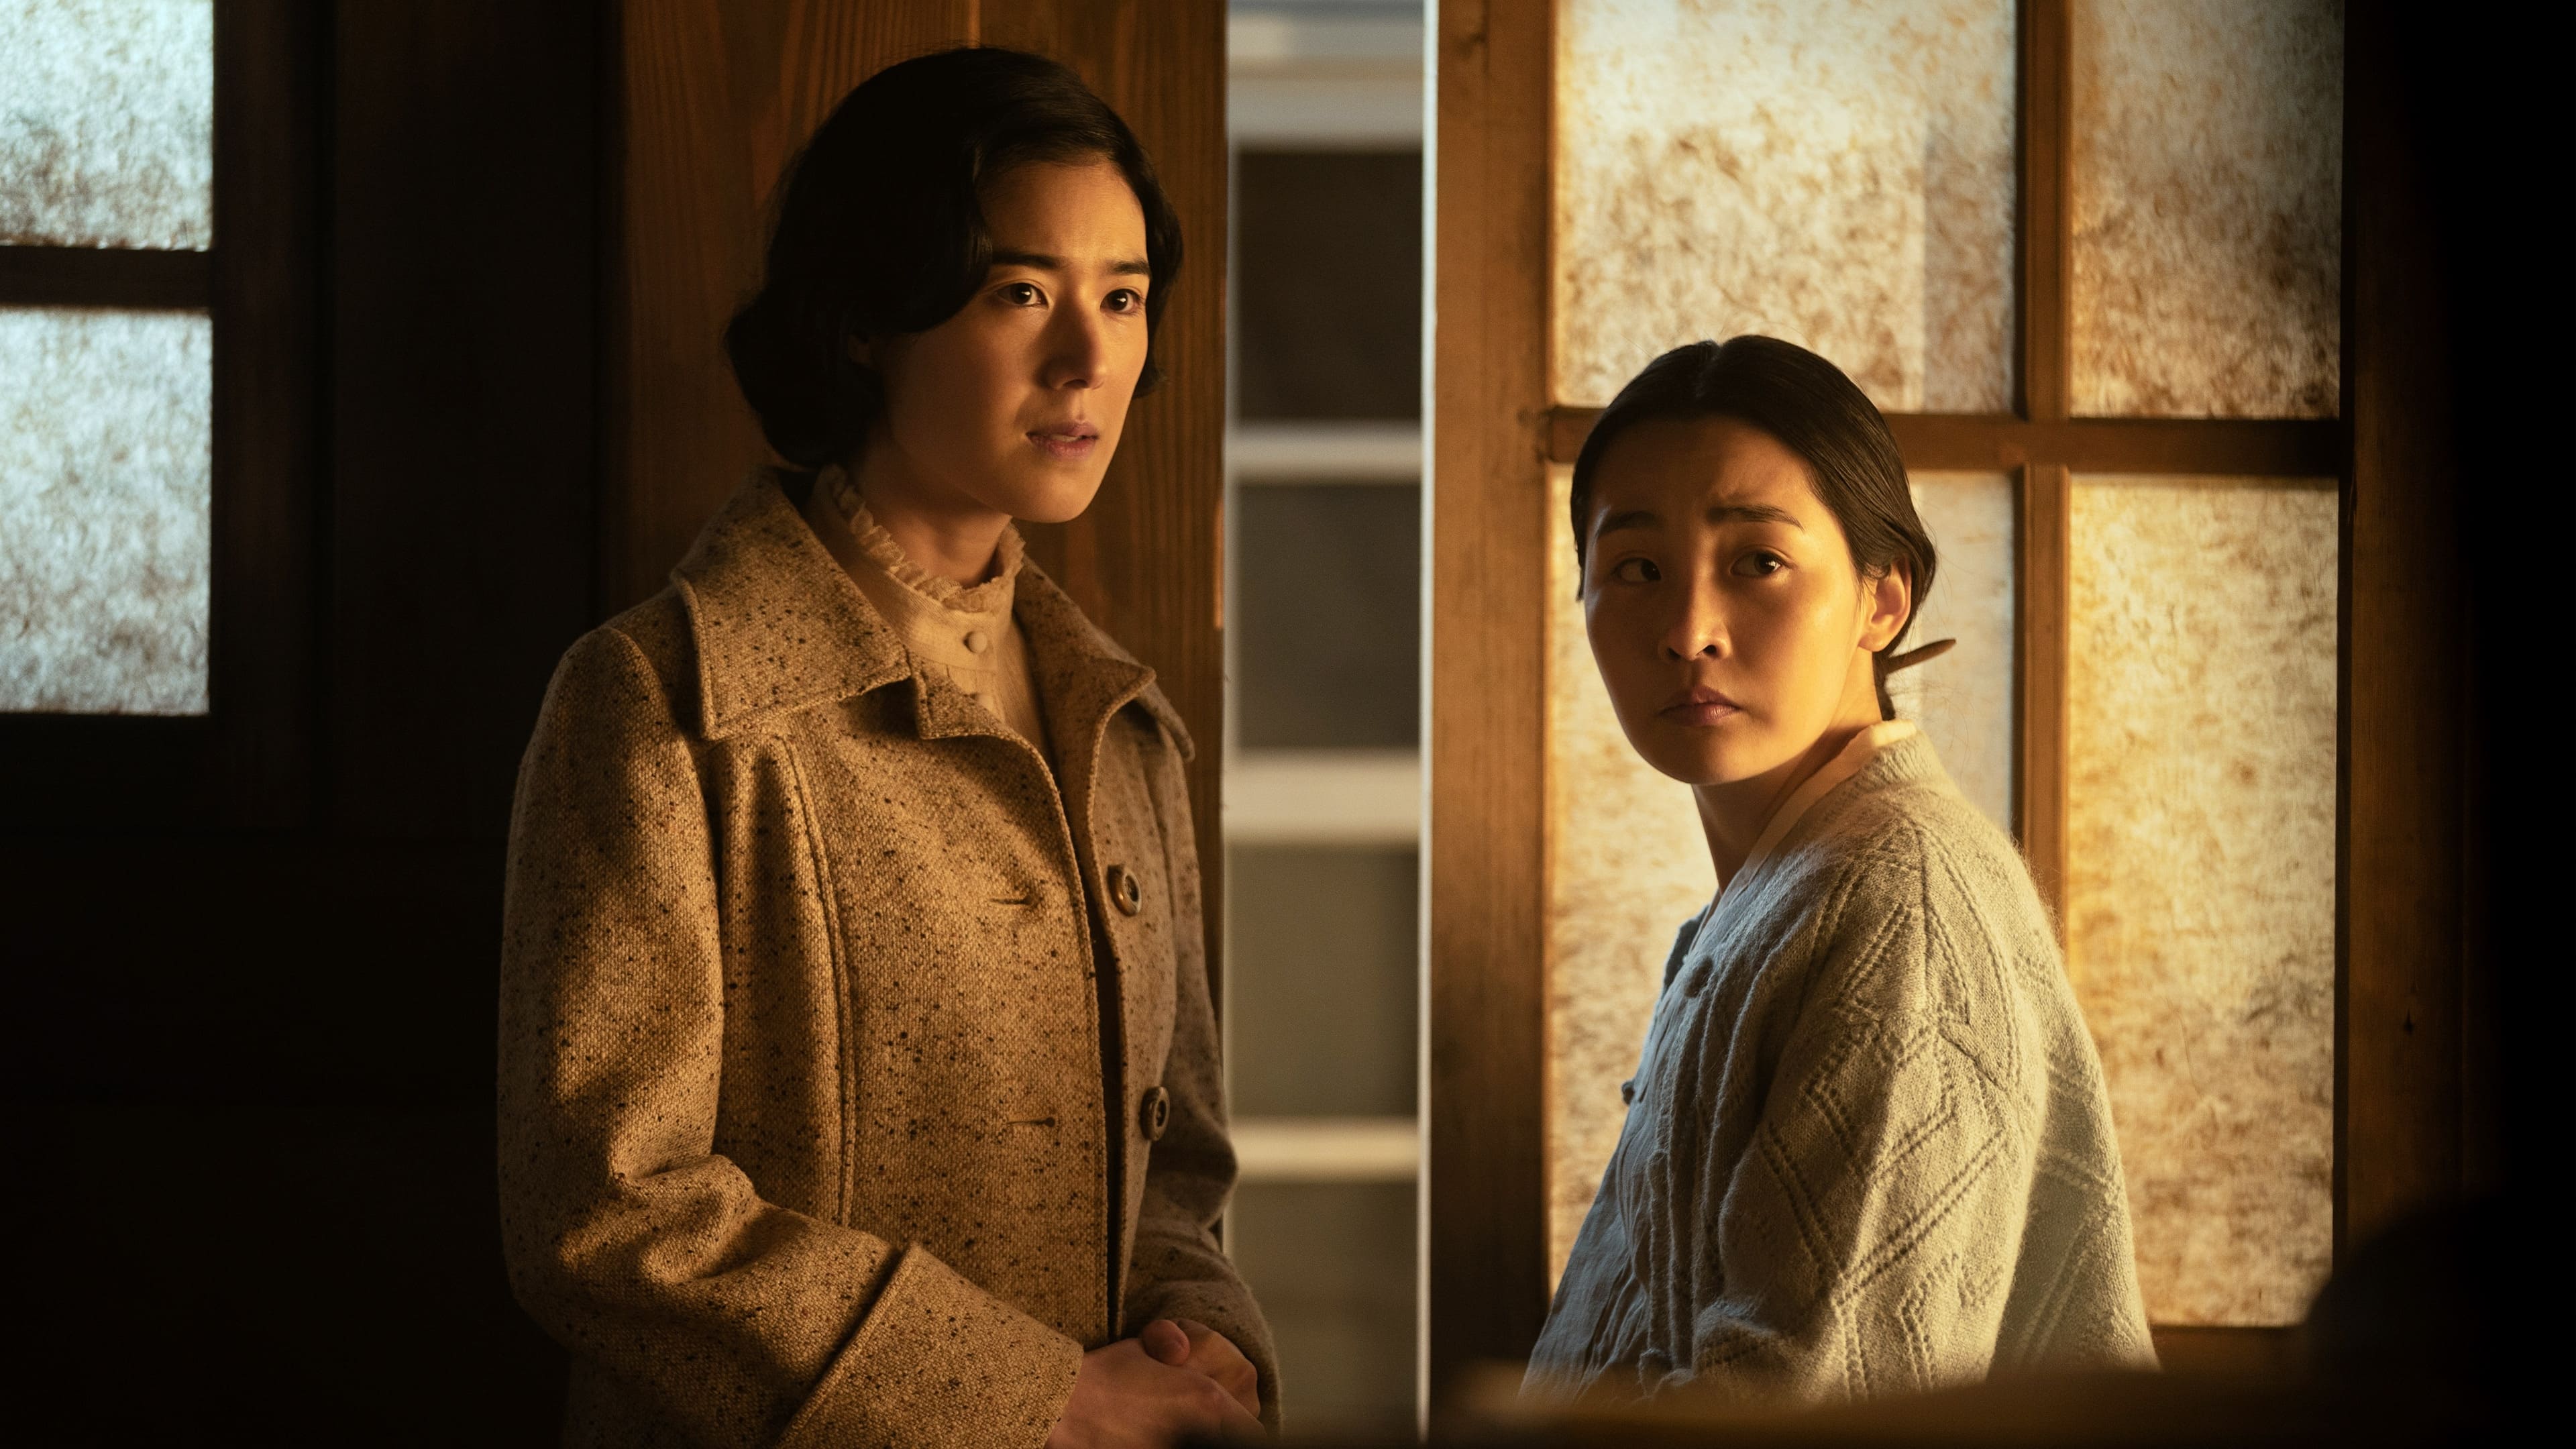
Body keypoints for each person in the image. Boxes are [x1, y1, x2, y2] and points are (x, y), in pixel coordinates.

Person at [498, 48, 1274, 1448]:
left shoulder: (1123, 726)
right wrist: (1037, 1401)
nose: (1088, 360)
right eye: (1020, 292)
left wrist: (1204, 1338)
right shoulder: (660, 703)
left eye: (1122, 297)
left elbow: (1179, 1170)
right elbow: (606, 1213)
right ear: (866, 317)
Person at [1523, 337, 2154, 1407]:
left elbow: (1812, 1416)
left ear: (1882, 598)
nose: (1688, 631)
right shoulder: (1790, 882)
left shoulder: (1900, 897)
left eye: (1758, 563)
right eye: (1638, 569)